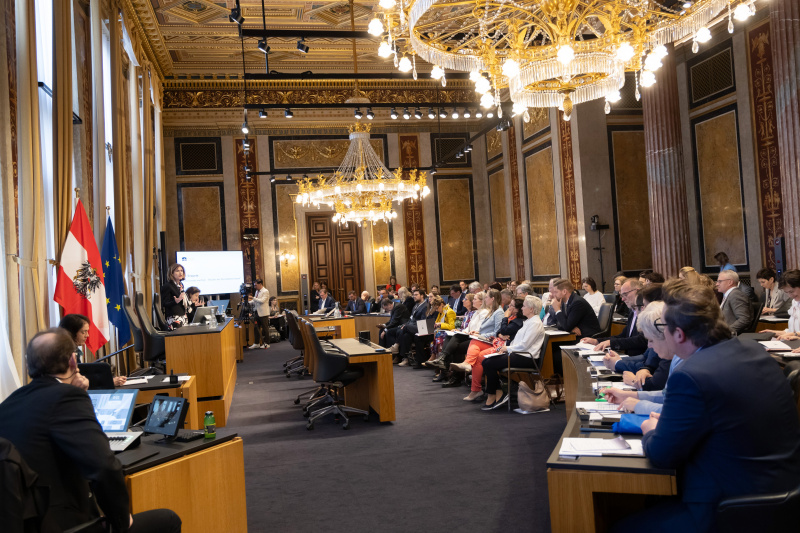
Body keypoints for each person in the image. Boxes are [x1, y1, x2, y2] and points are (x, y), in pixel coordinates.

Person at [614, 280, 800, 532]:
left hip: (727, 508)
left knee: (620, 526)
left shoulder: (690, 375)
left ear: (678, 334)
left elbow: (662, 455)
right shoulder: (758, 355)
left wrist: (651, 428)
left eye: (663, 328)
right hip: (784, 498)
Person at [0, 328, 182, 533]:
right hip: (64, 524)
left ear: (28, 365)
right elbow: (104, 467)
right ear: (72, 361)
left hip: (25, 523)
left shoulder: (8, 405)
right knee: (168, 519)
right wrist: (122, 522)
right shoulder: (67, 398)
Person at [602, 302, 678, 415]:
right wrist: (627, 395)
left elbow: (679, 411)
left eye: (651, 340)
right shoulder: (677, 357)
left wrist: (639, 405)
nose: (649, 346)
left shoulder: (686, 363)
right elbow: (667, 396)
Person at [480, 295, 546, 410]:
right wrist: (505, 349)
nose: (522, 308)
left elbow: (525, 345)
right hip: (519, 354)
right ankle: (497, 391)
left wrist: (507, 349)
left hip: (527, 358)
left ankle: (495, 393)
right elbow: (517, 341)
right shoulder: (529, 321)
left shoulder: (535, 323)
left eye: (524, 306)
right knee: (487, 361)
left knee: (488, 363)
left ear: (531, 309)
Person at [581, 279, 647, 355]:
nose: (623, 299)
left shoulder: (646, 312)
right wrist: (597, 341)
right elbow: (623, 336)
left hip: (641, 360)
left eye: (625, 294)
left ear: (637, 291)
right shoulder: (633, 312)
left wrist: (611, 343)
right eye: (622, 295)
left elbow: (642, 340)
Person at [59, 314, 127, 387]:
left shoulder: (72, 349)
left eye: (87, 331)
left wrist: (109, 380)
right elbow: (76, 381)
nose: (87, 335)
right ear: (71, 332)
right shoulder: (65, 353)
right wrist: (108, 382)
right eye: (83, 332)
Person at [762, 269, 800, 341]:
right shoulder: (795, 302)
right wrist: (775, 333)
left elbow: (795, 334)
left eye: (791, 291)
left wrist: (795, 335)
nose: (790, 296)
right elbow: (792, 331)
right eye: (787, 292)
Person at [395, 288, 430, 366]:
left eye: (416, 295)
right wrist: (406, 325)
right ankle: (406, 358)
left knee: (405, 328)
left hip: (421, 327)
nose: (414, 296)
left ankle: (396, 345)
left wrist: (408, 326)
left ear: (422, 295)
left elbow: (423, 322)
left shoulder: (425, 306)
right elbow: (411, 318)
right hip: (413, 327)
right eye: (413, 295)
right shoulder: (415, 306)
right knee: (405, 335)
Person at [715, 269, 752, 335]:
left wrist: (725, 331)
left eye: (720, 281)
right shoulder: (729, 294)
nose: (717, 284)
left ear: (730, 282)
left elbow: (744, 319)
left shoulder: (736, 295)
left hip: (730, 336)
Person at [160, 263, 188, 329]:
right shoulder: (168, 286)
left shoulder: (180, 285)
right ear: (172, 273)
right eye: (177, 271)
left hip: (182, 316)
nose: (180, 273)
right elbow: (164, 303)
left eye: (181, 271)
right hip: (174, 318)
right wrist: (175, 301)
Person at [248, 278, 270, 349]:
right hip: (256, 312)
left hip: (263, 313)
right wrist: (248, 302)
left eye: (256, 285)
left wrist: (253, 298)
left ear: (260, 284)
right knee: (256, 328)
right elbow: (255, 301)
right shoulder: (257, 291)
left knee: (265, 328)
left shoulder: (265, 291)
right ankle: (256, 343)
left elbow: (262, 301)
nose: (255, 287)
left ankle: (267, 343)